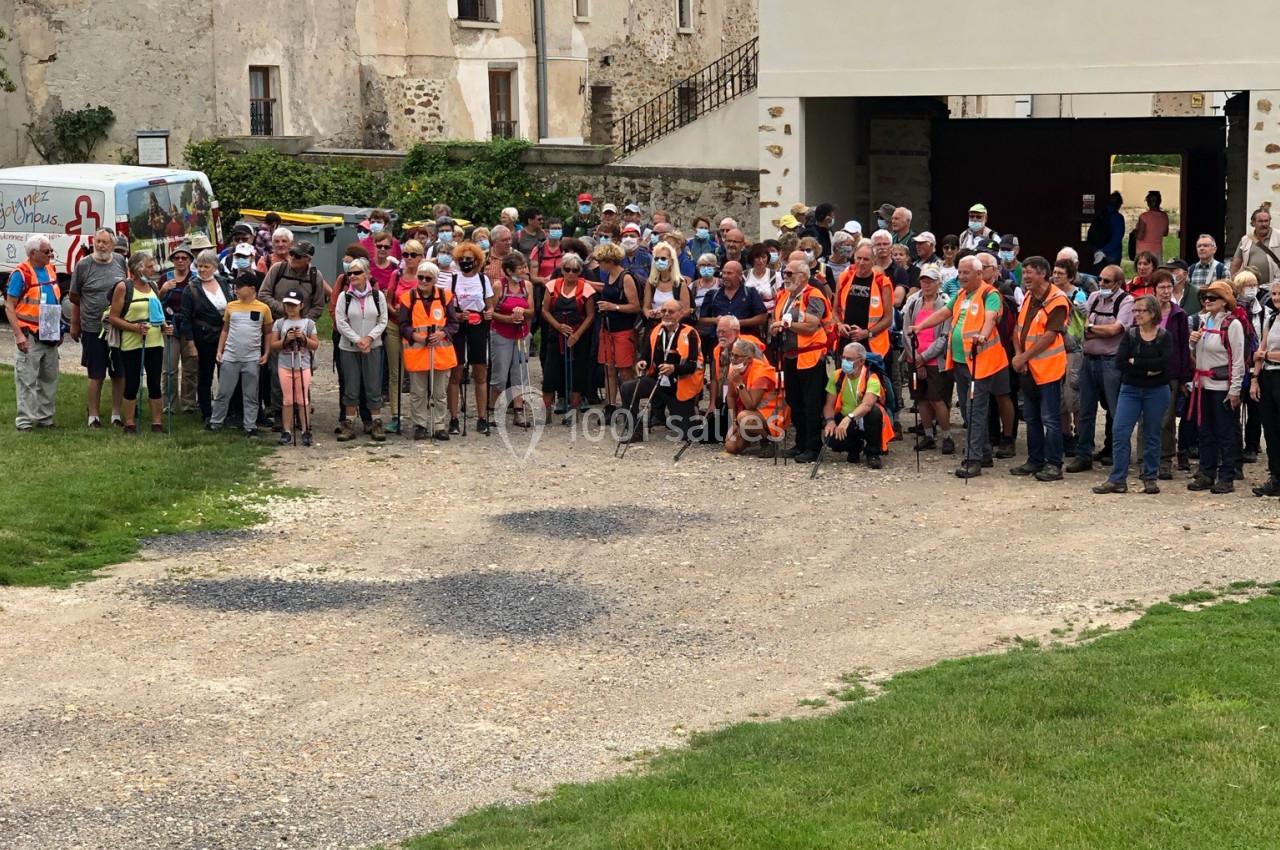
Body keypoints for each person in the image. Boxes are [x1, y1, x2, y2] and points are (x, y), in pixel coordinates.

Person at [910, 256, 1008, 478]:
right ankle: (983, 452)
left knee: (975, 410)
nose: (961, 277)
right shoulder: (962, 294)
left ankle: (973, 459)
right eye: (960, 272)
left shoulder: (990, 294)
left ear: (979, 274)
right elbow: (944, 313)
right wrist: (920, 326)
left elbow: (990, 318)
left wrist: (983, 336)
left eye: (966, 273)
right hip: (961, 362)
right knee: (966, 408)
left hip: (980, 363)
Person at [1091, 295, 1173, 494]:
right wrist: (1147, 369)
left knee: (1152, 433)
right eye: (1135, 310)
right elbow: (1121, 362)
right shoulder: (1131, 334)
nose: (1136, 314)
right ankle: (1117, 478)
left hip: (1156, 391)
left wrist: (1136, 362)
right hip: (1131, 389)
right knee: (1120, 431)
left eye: (1141, 310)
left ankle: (1150, 477)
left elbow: (1164, 364)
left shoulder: (1164, 336)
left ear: (1152, 313)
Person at [1066, 265, 1132, 473]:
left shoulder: (1126, 301)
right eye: (1101, 279)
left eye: (1107, 281)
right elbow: (1084, 327)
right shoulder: (1094, 297)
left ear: (1118, 283)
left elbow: (1115, 330)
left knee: (1115, 410)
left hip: (1111, 362)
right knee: (1086, 410)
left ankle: (1117, 454)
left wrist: (1092, 329)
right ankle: (1083, 454)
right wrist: (1096, 330)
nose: (1101, 284)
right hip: (1089, 360)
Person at [1008, 257, 1069, 481]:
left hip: (1048, 369)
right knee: (1032, 417)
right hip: (1028, 369)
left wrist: (1022, 357)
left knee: (1050, 419)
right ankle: (1035, 460)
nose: (1025, 276)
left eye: (1029, 272)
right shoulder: (1028, 296)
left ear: (1043, 274)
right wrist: (1018, 356)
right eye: (1024, 272)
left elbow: (1050, 336)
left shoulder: (1058, 300)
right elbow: (1018, 328)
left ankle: (1054, 464)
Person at [258, 239, 327, 428]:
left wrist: (303, 323)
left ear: (308, 259)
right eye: (292, 253)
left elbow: (319, 305)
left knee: (302, 371)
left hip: (302, 330)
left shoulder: (315, 276)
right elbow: (263, 294)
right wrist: (286, 312)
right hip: (278, 327)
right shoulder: (278, 269)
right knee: (277, 373)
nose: (293, 257)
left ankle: (301, 415)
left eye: (298, 256)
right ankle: (280, 415)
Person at [102, 251, 172, 434]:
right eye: (149, 266)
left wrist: (165, 327)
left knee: (154, 382)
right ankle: (130, 423)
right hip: (132, 343)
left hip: (155, 342)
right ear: (138, 269)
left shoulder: (153, 286)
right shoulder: (124, 287)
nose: (153, 269)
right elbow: (113, 317)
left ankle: (157, 423)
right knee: (132, 382)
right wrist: (134, 328)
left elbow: (157, 312)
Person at [770, 259, 830, 462]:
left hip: (810, 355)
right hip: (790, 355)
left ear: (803, 276)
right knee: (794, 400)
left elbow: (811, 326)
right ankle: (800, 443)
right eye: (784, 273)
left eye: (790, 273)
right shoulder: (784, 295)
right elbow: (777, 318)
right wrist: (776, 327)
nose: (785, 277)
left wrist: (785, 325)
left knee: (811, 402)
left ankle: (813, 446)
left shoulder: (814, 295)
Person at [1187, 280, 1245, 492]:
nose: (1207, 301)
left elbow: (1238, 360)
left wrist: (1235, 390)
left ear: (1225, 301)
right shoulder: (1204, 322)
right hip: (1203, 386)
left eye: (1213, 297)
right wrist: (1192, 342)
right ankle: (1207, 473)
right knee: (1205, 432)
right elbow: (1197, 354)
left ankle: (1227, 476)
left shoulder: (1233, 324)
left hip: (1221, 387)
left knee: (1225, 433)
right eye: (1205, 297)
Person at [619, 299, 704, 442]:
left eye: (671, 312)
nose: (666, 314)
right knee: (627, 388)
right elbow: (645, 357)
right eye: (664, 311)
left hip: (679, 386)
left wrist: (674, 368)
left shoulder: (690, 333)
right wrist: (642, 363)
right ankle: (635, 431)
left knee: (689, 434)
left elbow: (692, 365)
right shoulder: (655, 331)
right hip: (656, 381)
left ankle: (694, 415)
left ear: (680, 314)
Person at [69, 228, 127, 427]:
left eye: (105, 242)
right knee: (96, 374)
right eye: (98, 241)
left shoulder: (120, 261)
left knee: (119, 373)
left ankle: (116, 414)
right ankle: (93, 416)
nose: (100, 245)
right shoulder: (83, 265)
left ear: (113, 245)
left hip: (117, 327)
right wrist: (76, 323)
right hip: (92, 328)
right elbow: (74, 296)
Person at [5, 234, 63, 431]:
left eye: (51, 250)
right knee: (27, 380)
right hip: (29, 334)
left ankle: (45, 419)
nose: (50, 254)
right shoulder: (20, 274)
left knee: (49, 378)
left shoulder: (50, 269)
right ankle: (25, 421)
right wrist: (19, 335)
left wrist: (58, 330)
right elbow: (9, 306)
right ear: (33, 253)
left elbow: (54, 301)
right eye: (46, 251)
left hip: (50, 334)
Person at [399, 261, 459, 441]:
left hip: (440, 352)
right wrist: (415, 337)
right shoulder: (407, 297)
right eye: (420, 277)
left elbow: (453, 323)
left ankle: (439, 425)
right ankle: (420, 425)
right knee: (418, 393)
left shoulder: (445, 297)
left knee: (440, 392)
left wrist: (443, 333)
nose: (423, 281)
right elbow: (403, 325)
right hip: (417, 352)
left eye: (428, 278)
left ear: (435, 280)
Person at [440, 241, 495, 435]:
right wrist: (457, 315)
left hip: (478, 326)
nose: (465, 262)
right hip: (458, 327)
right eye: (462, 259)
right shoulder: (452, 280)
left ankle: (482, 417)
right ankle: (454, 417)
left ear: (477, 260)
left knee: (480, 371)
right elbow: (445, 308)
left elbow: (490, 305)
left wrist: (489, 312)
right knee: (456, 372)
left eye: (469, 259)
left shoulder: (483, 279)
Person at [334, 258, 389, 442]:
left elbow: (382, 320)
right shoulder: (344, 297)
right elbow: (341, 322)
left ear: (367, 274)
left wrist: (369, 338)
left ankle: (376, 423)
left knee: (373, 385)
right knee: (351, 385)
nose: (352, 276)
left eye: (357, 272)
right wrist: (358, 340)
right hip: (349, 348)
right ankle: (349, 424)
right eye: (350, 273)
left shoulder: (378, 296)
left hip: (373, 346)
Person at [206, 273, 269, 436]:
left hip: (252, 357)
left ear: (252, 289)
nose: (236, 290)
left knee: (251, 394)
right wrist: (220, 350)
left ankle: (250, 425)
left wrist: (267, 352)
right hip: (231, 355)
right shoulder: (231, 306)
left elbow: (268, 332)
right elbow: (225, 330)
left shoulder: (263, 308)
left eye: (240, 287)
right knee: (223, 392)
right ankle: (215, 422)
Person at [902, 265, 954, 453]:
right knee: (921, 399)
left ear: (938, 283)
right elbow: (906, 332)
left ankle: (947, 436)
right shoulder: (913, 304)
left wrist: (923, 358)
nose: (926, 284)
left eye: (931, 281)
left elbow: (944, 337)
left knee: (937, 399)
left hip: (934, 361)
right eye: (924, 281)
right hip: (914, 358)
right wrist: (915, 357)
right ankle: (928, 435)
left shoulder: (945, 305)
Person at [541, 253, 596, 421]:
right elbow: (545, 310)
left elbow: (590, 315)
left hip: (578, 335)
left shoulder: (586, 288)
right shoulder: (552, 285)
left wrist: (577, 334)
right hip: (555, 334)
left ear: (580, 271)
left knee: (577, 372)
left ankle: (573, 411)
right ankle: (546, 411)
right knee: (551, 372)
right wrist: (557, 326)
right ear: (562, 269)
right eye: (567, 269)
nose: (571, 273)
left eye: (575, 270)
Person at [821, 342, 893, 468]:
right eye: (843, 358)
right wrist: (830, 421)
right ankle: (854, 447)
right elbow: (829, 405)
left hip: (865, 418)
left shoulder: (872, 377)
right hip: (846, 417)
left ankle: (873, 453)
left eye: (849, 359)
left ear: (861, 361)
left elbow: (867, 405)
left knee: (874, 412)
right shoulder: (837, 375)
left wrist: (849, 418)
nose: (844, 362)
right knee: (830, 438)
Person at [181, 249, 233, 424]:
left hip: (225, 335)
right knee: (205, 375)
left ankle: (228, 411)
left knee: (227, 374)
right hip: (203, 338)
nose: (202, 270)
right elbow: (186, 319)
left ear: (215, 267)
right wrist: (191, 344)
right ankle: (206, 412)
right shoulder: (191, 289)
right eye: (200, 266)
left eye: (206, 266)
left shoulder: (223, 282)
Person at [592, 241, 641, 417]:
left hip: (623, 329)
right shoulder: (609, 276)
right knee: (609, 368)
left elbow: (635, 306)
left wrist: (614, 307)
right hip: (607, 328)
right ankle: (611, 405)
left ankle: (630, 406)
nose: (599, 264)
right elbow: (606, 289)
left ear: (609, 261)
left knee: (625, 370)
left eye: (601, 261)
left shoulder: (625, 277)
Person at [1154, 270, 1191, 479]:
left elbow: (1184, 347)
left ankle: (1165, 460)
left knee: (1167, 419)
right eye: (1162, 287)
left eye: (1169, 287)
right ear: (1154, 289)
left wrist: (1185, 378)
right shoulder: (1145, 310)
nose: (1166, 291)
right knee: (1147, 419)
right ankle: (1146, 459)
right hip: (1146, 372)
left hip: (1171, 373)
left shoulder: (1179, 315)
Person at [270, 289, 319, 447]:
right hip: (285, 365)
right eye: (287, 305)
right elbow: (273, 345)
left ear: (301, 306)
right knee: (287, 399)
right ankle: (287, 430)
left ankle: (306, 429)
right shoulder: (279, 323)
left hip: (303, 365)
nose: (290, 308)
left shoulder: (309, 323)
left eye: (294, 305)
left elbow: (315, 344)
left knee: (302, 399)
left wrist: (303, 338)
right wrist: (285, 340)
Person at [489, 251, 533, 418]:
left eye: (524, 267)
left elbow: (532, 311)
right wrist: (508, 319)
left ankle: (518, 410)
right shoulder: (498, 286)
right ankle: (493, 409)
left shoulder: (527, 285)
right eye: (520, 268)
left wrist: (523, 312)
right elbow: (490, 312)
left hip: (521, 334)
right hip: (501, 334)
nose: (524, 271)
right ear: (509, 270)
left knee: (519, 372)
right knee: (500, 374)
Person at [723, 338, 784, 456]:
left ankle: (768, 441)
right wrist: (733, 422)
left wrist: (739, 383)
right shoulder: (734, 368)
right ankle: (753, 435)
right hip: (750, 415)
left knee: (745, 418)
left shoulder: (761, 372)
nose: (732, 359)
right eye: (732, 354)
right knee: (731, 446)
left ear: (749, 358)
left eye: (737, 356)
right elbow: (730, 396)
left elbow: (751, 405)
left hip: (772, 415)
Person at [835, 243, 894, 362]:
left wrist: (867, 333)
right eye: (859, 258)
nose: (861, 262)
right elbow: (835, 310)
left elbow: (888, 319)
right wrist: (839, 325)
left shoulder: (882, 282)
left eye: (866, 259)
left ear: (873, 260)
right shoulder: (844, 277)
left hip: (872, 345)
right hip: (846, 343)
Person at [159, 241, 198, 415]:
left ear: (190, 260)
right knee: (169, 369)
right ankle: (169, 404)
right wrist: (163, 290)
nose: (180, 261)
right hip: (170, 327)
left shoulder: (195, 279)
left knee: (190, 368)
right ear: (172, 260)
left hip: (190, 328)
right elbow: (155, 302)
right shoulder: (165, 278)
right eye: (177, 258)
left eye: (184, 258)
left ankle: (188, 404)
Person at [1250, 280, 1280, 495]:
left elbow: (1264, 352)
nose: (1276, 298)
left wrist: (1266, 354)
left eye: (1279, 294)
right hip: (1267, 376)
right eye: (1274, 294)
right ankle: (1275, 476)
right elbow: (1260, 350)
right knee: (1270, 428)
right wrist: (1255, 378)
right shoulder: (1271, 318)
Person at [642, 243, 692, 333]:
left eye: (663, 258)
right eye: (656, 259)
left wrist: (668, 317)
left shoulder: (679, 283)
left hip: (674, 328)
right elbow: (646, 307)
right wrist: (650, 314)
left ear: (671, 261)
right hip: (655, 327)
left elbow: (686, 310)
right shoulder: (651, 282)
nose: (659, 261)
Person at [1232, 207, 1280, 285]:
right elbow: (1235, 264)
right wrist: (1233, 283)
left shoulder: (1278, 236)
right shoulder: (1245, 240)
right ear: (1253, 223)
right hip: (1250, 286)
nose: (1264, 224)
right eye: (1260, 221)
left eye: (1266, 221)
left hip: (1276, 286)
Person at [1188, 234, 1227, 314]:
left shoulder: (1222, 269)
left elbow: (1227, 294)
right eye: (1199, 246)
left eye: (1205, 246)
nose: (1201, 248)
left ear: (1214, 249)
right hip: (1195, 313)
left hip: (1214, 314)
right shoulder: (1191, 269)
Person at [1135, 191, 1170, 262]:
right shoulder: (1164, 216)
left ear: (1148, 202)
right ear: (1160, 201)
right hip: (1157, 251)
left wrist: (1135, 232)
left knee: (1144, 268)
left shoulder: (1144, 216)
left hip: (1143, 251)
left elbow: (1140, 236)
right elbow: (1165, 233)